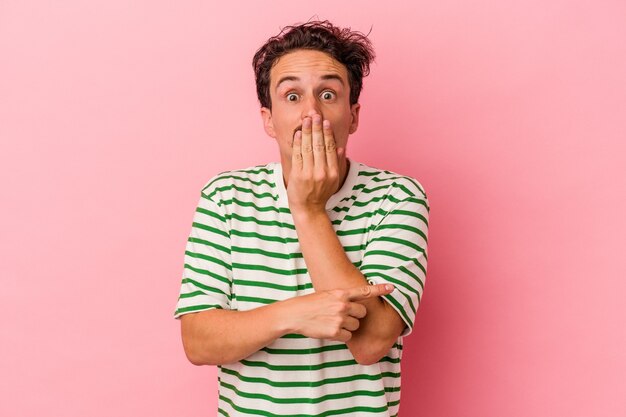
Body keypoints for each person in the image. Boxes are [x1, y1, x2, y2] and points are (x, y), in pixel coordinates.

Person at [173, 19, 429, 417]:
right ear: (269, 120)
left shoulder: (397, 197)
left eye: (328, 94)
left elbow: (370, 342)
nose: (312, 113)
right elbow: (199, 341)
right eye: (292, 96)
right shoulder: (226, 196)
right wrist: (296, 313)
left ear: (354, 115)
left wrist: (308, 210)